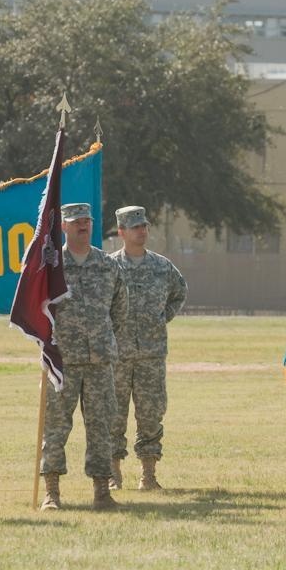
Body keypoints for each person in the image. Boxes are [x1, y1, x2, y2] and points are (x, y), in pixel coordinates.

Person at [40, 203, 128, 511]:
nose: (83, 226)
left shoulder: (108, 265)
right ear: (63, 226)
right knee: (56, 426)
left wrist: (101, 338)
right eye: (76, 221)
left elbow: (119, 309)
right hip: (62, 359)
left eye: (87, 221)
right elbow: (39, 310)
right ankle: (52, 491)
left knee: (101, 426)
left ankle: (102, 491)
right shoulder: (51, 267)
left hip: (100, 361)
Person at [108, 205, 187, 491]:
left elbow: (180, 292)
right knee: (113, 415)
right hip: (117, 355)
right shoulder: (109, 266)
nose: (141, 231)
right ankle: (113, 475)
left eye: (144, 226)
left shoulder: (161, 266)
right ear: (121, 232)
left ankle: (148, 475)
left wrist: (161, 317)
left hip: (152, 355)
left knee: (151, 415)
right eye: (135, 227)